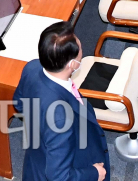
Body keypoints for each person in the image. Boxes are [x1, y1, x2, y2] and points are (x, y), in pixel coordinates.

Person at [14, 21, 109, 181]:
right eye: (80, 49)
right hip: (72, 165)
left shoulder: (32, 67)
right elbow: (59, 176)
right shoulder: (60, 118)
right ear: (72, 64)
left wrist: (41, 128)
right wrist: (94, 173)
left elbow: (19, 102)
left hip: (39, 158)